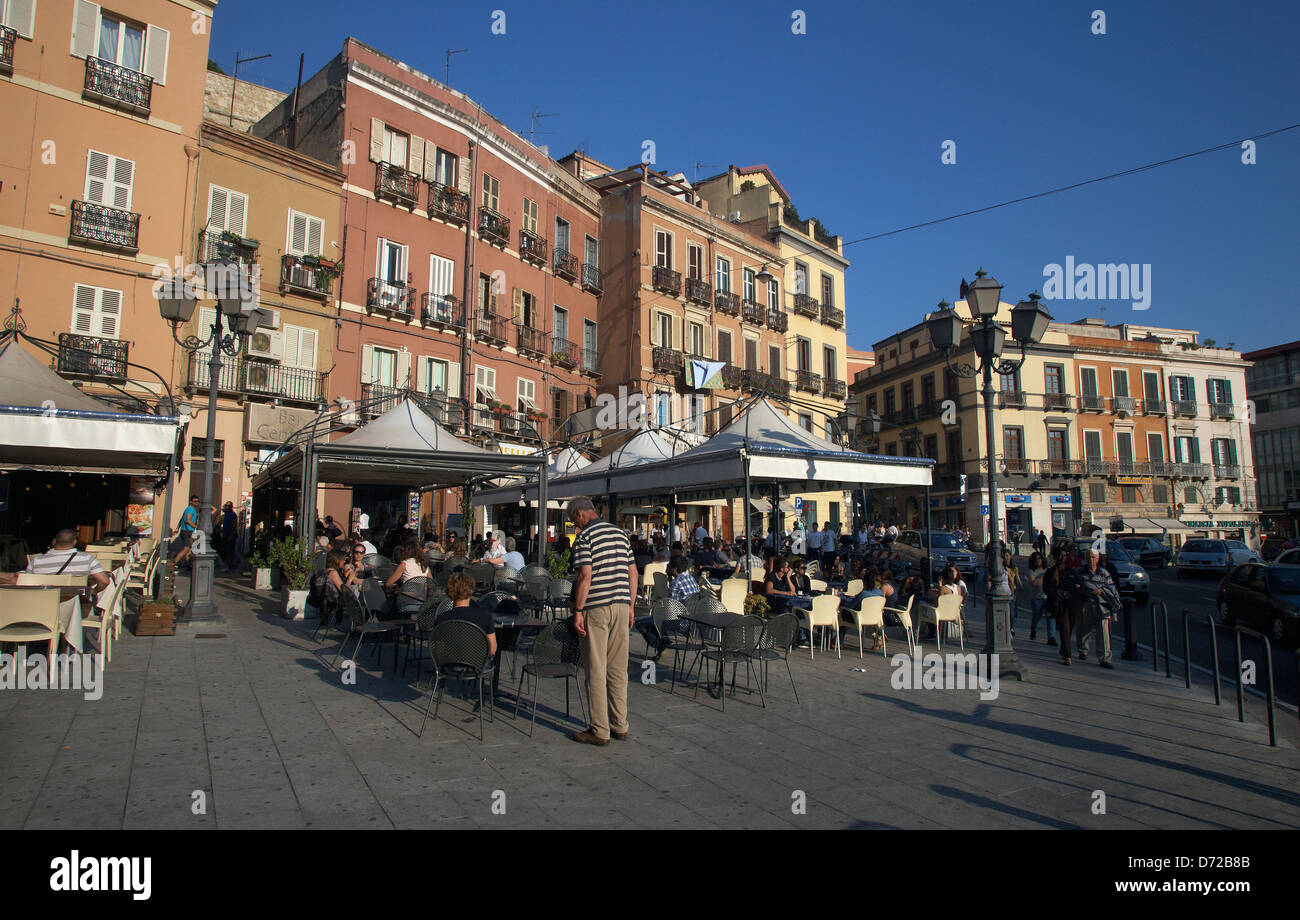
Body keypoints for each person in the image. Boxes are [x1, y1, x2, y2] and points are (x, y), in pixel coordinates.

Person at [567, 496, 637, 746]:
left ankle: (600, 730)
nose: (574, 525)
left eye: (572, 519)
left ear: (579, 514)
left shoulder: (585, 537)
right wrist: (630, 606)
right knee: (618, 669)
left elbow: (585, 575)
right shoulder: (620, 534)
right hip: (620, 605)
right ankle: (620, 724)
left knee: (596, 669)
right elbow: (633, 572)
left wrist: (578, 609)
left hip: (596, 607)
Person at [26, 529, 111, 593]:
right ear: (74, 542)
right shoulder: (87, 558)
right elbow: (104, 581)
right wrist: (93, 591)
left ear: (54, 541)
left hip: (43, 606)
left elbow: (25, 583)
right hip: (75, 607)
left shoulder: (36, 561)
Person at [1077, 548, 1121, 669]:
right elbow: (1076, 585)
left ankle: (1105, 658)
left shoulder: (1104, 573)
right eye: (1088, 557)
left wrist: (1101, 591)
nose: (1090, 560)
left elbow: (1111, 588)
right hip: (1086, 604)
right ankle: (1083, 650)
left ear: (1097, 559)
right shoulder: (1080, 572)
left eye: (1092, 557)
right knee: (1084, 629)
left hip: (1102, 606)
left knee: (1103, 633)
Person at [436, 571, 496, 659]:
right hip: (477, 666)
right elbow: (492, 650)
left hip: (449, 666)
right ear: (471, 591)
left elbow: (438, 652)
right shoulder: (485, 617)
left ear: (449, 592)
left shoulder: (442, 618)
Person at [1045, 541, 1084, 665]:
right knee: (1064, 628)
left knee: (1070, 628)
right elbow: (1046, 589)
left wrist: (1074, 589)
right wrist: (1059, 592)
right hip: (1059, 606)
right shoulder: (1051, 572)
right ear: (1056, 557)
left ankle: (1064, 647)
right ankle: (1068, 655)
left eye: (1064, 555)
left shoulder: (1071, 572)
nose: (1062, 558)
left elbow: (1079, 586)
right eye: (1060, 556)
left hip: (1072, 604)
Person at [1026, 551, 1055, 645]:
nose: (1038, 561)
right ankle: (1033, 630)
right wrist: (1044, 576)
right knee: (1037, 616)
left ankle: (1051, 637)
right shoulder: (1031, 571)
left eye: (1039, 558)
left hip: (1048, 597)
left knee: (1050, 617)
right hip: (1036, 597)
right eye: (1035, 559)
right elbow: (1034, 583)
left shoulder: (1048, 570)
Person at [172, 495, 201, 568]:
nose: (196, 503)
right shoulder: (191, 509)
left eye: (198, 501)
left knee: (189, 549)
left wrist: (177, 529)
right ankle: (173, 563)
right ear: (191, 501)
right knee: (186, 549)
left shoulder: (188, 509)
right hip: (187, 531)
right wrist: (196, 527)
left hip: (185, 530)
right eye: (195, 501)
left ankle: (188, 564)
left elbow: (182, 519)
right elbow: (188, 520)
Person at [220, 502, 239, 571]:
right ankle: (229, 565)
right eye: (225, 505)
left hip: (230, 535)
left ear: (230, 507)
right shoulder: (226, 515)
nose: (225, 507)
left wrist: (231, 535)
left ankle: (231, 565)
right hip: (225, 534)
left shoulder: (232, 515)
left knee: (230, 551)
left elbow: (234, 525)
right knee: (226, 551)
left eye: (227, 506)